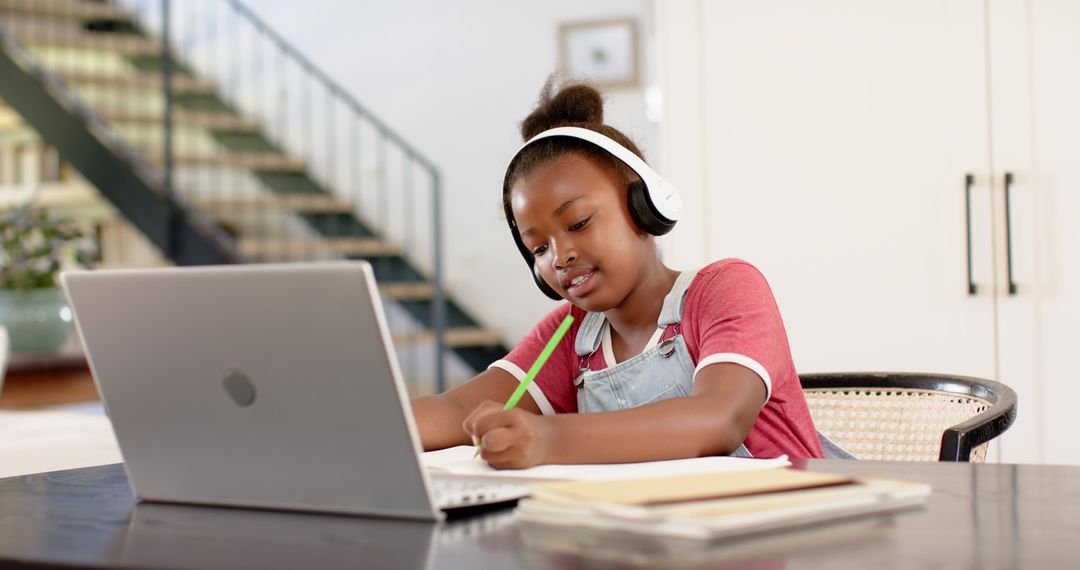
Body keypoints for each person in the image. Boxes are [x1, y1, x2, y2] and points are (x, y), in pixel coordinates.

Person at [411, 79, 825, 469]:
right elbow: (456, 412)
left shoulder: (725, 290)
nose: (559, 257)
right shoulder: (571, 335)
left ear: (645, 207)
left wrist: (550, 438)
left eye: (577, 224)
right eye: (538, 247)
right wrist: (362, 421)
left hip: (800, 528)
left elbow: (719, 420)